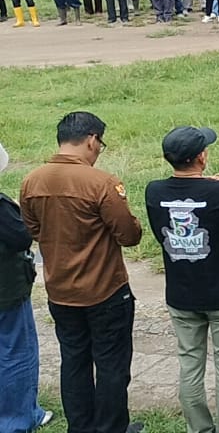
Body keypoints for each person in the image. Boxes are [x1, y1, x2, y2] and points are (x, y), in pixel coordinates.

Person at [21, 112, 144, 433]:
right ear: (92, 139)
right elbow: (129, 236)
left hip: (60, 292)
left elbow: (32, 229)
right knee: (111, 366)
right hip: (106, 291)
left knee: (73, 362)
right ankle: (111, 428)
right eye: (100, 143)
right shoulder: (101, 182)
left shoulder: (31, 180)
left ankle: (81, 427)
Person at [144, 127, 219, 433]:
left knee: (189, 363)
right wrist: (217, 192)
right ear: (201, 157)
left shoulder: (154, 191)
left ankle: (198, 428)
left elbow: (162, 234)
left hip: (181, 293)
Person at [0, 140, 54, 433]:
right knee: (15, 352)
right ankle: (18, 419)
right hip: (5, 293)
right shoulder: (1, 207)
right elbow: (21, 237)